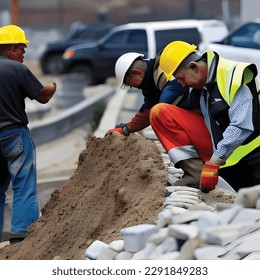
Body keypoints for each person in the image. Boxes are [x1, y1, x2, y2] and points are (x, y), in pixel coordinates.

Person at [151, 40, 260, 192]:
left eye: (181, 78)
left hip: (254, 157)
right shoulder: (202, 89)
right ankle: (195, 174)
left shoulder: (233, 76)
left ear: (194, 67)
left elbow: (241, 126)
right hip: (229, 160)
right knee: (161, 112)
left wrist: (213, 163)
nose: (182, 84)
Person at [107, 52, 213, 185]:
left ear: (136, 73)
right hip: (207, 130)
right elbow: (147, 110)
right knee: (158, 112)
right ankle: (196, 168)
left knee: (160, 114)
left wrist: (127, 129)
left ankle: (196, 173)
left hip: (211, 135)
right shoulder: (154, 79)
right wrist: (126, 129)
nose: (132, 87)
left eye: (129, 83)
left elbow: (158, 109)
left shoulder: (169, 78)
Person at [0, 25, 56, 243]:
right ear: (12, 48)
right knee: (24, 185)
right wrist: (51, 87)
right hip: (14, 135)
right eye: (22, 48)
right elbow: (42, 96)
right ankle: (22, 236)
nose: (24, 53)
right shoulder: (18, 70)